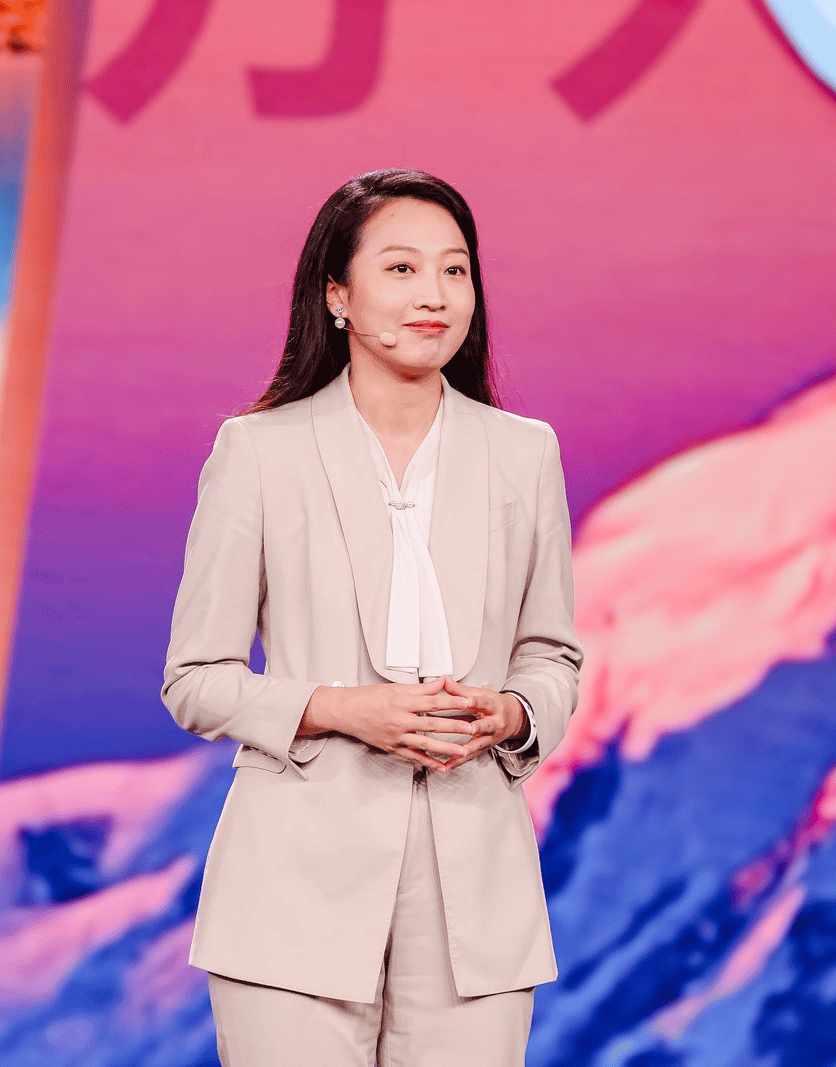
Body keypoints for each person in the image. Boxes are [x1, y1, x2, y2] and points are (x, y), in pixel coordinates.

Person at [160, 167, 583, 1067]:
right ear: (337, 295)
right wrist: (341, 708)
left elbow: (552, 653)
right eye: (401, 268)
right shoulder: (258, 451)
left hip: (475, 889)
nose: (434, 295)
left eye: (455, 270)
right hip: (293, 886)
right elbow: (195, 680)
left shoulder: (524, 453)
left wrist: (512, 712)